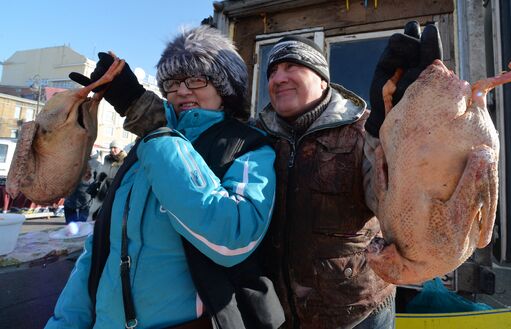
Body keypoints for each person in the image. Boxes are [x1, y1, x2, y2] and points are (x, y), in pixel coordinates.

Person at [46, 26, 283, 329]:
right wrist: (65, 322)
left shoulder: (246, 147)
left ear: (224, 89)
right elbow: (101, 245)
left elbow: (233, 238)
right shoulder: (145, 146)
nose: (182, 91)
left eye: (197, 79)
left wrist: (158, 133)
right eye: (172, 82)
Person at [253, 22, 442, 329]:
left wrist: (405, 128)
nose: (278, 78)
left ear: (323, 78)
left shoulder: (364, 130)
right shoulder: (258, 136)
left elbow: (397, 202)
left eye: (291, 66)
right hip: (280, 314)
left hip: (357, 312)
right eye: (272, 71)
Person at [86, 140, 127, 221]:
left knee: (112, 209)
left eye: (114, 148)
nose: (112, 150)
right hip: (105, 185)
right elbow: (103, 171)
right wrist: (98, 182)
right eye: (111, 148)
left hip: (118, 186)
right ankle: (91, 226)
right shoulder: (107, 158)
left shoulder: (126, 159)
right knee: (95, 207)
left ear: (120, 148)